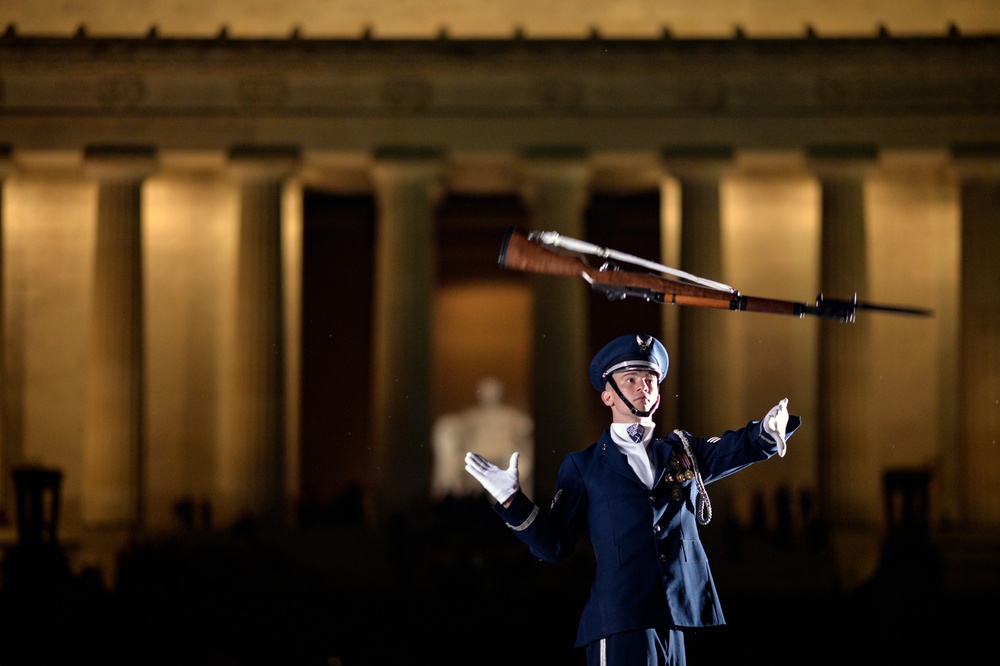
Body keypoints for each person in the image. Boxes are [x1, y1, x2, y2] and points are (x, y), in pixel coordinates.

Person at [464, 333, 801, 666]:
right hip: (620, 619)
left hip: (677, 615)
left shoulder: (683, 451)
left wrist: (767, 433)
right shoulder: (584, 465)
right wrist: (511, 500)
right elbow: (554, 545)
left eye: (651, 379)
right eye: (631, 379)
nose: (644, 386)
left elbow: (733, 448)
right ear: (607, 396)